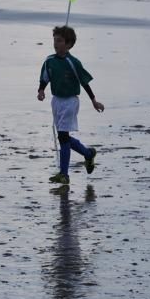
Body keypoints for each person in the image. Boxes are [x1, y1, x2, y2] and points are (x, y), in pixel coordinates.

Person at [38, 25, 104, 185]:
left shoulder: (73, 62)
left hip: (70, 101)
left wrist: (94, 100)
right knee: (64, 137)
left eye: (59, 41)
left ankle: (64, 174)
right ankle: (88, 154)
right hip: (56, 101)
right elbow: (45, 78)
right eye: (55, 40)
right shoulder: (49, 61)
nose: (56, 43)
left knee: (63, 137)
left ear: (68, 44)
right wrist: (41, 90)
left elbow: (84, 82)